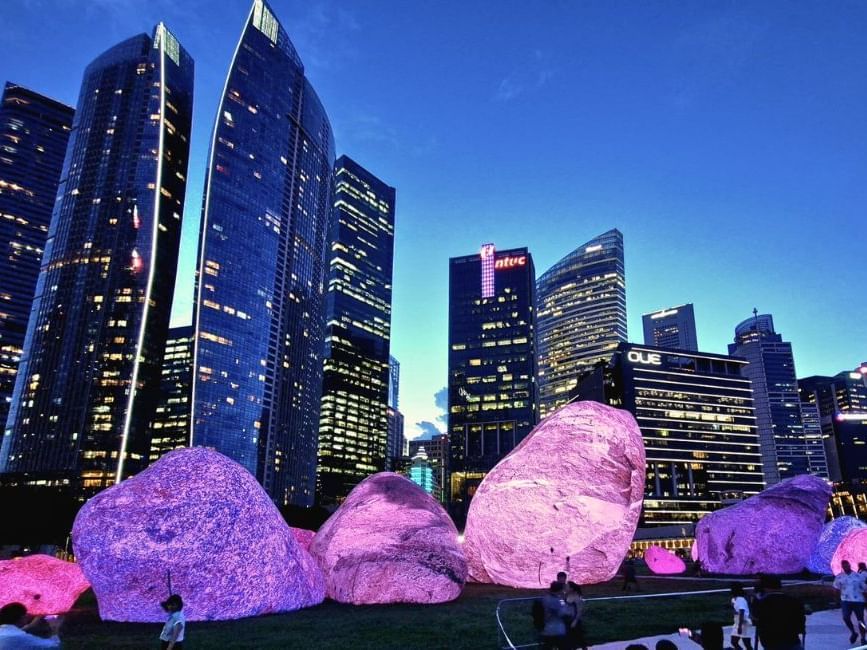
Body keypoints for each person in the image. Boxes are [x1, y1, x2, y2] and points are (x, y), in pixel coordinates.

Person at [751, 575, 805, 650]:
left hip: (771, 642)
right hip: (792, 641)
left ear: (765, 587)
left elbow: (755, 619)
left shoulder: (762, 603)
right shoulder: (794, 601)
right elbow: (801, 622)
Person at [834, 559, 867, 645]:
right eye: (844, 565)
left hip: (858, 601)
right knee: (845, 617)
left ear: (849, 565)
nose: (846, 567)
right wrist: (837, 600)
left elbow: (864, 588)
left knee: (861, 620)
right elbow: (836, 589)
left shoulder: (857, 576)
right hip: (845, 600)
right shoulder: (839, 577)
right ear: (842, 567)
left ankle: (863, 638)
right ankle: (853, 632)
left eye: (847, 565)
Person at [540, 581, 571, 650]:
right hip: (557, 630)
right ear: (560, 590)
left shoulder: (545, 598)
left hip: (547, 629)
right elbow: (563, 613)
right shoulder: (556, 601)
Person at [730, 583, 754, 650]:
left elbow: (742, 612)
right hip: (738, 623)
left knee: (747, 644)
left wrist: (740, 626)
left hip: (744, 623)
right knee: (734, 642)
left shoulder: (741, 599)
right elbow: (737, 610)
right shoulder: (734, 599)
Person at [564, 581, 588, 650]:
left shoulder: (577, 597)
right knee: (571, 639)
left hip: (575, 621)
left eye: (567, 586)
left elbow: (579, 611)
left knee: (579, 638)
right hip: (568, 620)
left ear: (572, 588)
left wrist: (575, 621)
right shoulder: (567, 595)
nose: (565, 587)